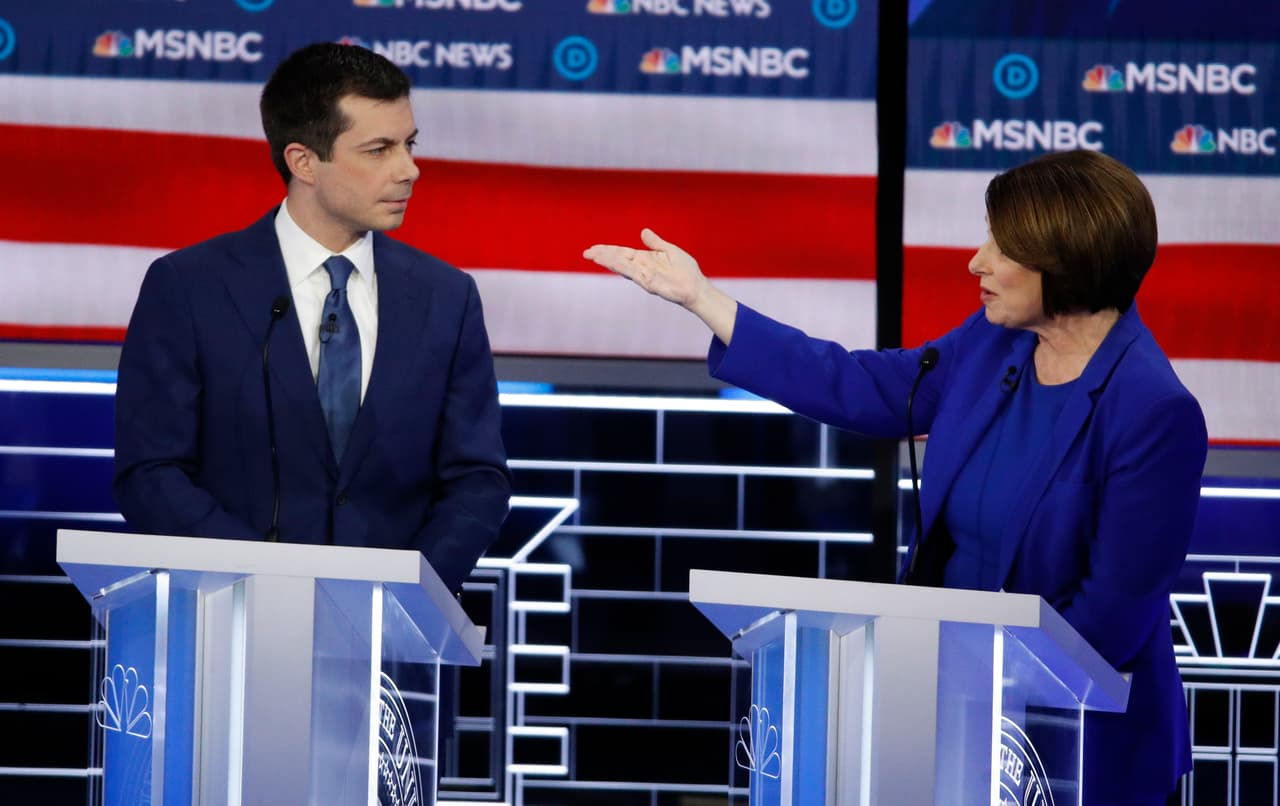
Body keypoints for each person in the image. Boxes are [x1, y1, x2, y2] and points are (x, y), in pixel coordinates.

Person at [584, 149, 1206, 804]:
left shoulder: (1153, 412)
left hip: (1074, 753)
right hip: (950, 718)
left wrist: (972, 687)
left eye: (1002, 248)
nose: (977, 262)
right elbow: (864, 386)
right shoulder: (992, 342)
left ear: (1067, 264)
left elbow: (1109, 622)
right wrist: (705, 300)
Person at [113, 42, 511, 594]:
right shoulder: (188, 287)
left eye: (409, 144)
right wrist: (269, 585)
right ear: (303, 162)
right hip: (228, 617)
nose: (409, 170)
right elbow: (151, 473)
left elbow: (477, 479)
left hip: (392, 627)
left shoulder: (447, 297)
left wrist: (406, 594)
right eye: (379, 150)